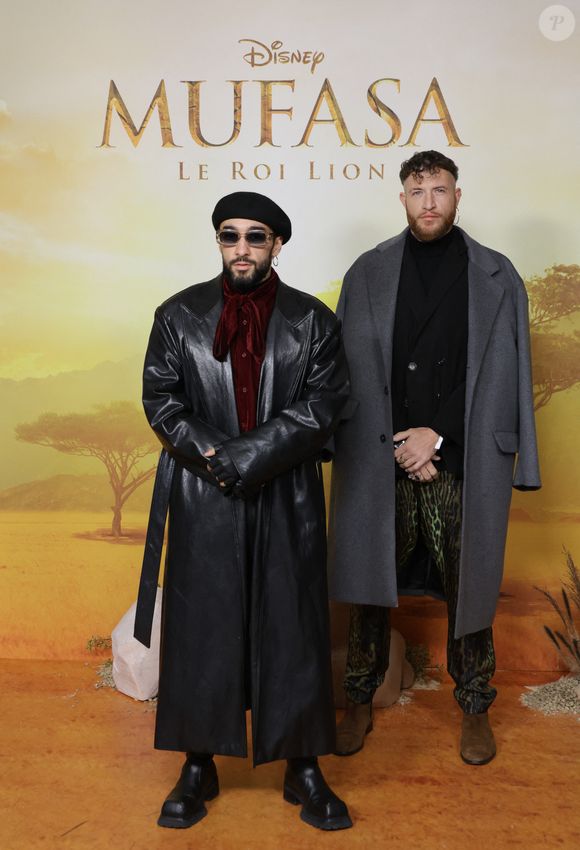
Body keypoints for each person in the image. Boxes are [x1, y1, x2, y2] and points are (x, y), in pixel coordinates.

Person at [134, 191, 353, 831]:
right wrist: (216, 459)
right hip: (205, 494)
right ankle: (197, 763)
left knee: (293, 627)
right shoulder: (177, 316)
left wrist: (248, 458)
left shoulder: (314, 321)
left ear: (277, 245)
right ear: (219, 243)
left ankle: (303, 766)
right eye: (230, 236)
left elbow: (323, 405)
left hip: (287, 491)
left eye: (256, 237)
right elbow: (162, 399)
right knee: (204, 625)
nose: (242, 249)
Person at [328, 150, 540, 765]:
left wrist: (435, 438)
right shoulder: (367, 272)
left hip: (462, 462)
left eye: (439, 189)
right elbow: (349, 374)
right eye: (417, 190)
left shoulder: (499, 275)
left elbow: (509, 376)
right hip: (384, 456)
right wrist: (403, 443)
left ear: (456, 196)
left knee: (466, 588)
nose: (428, 201)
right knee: (370, 587)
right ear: (401, 199)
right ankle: (359, 700)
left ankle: (475, 706)